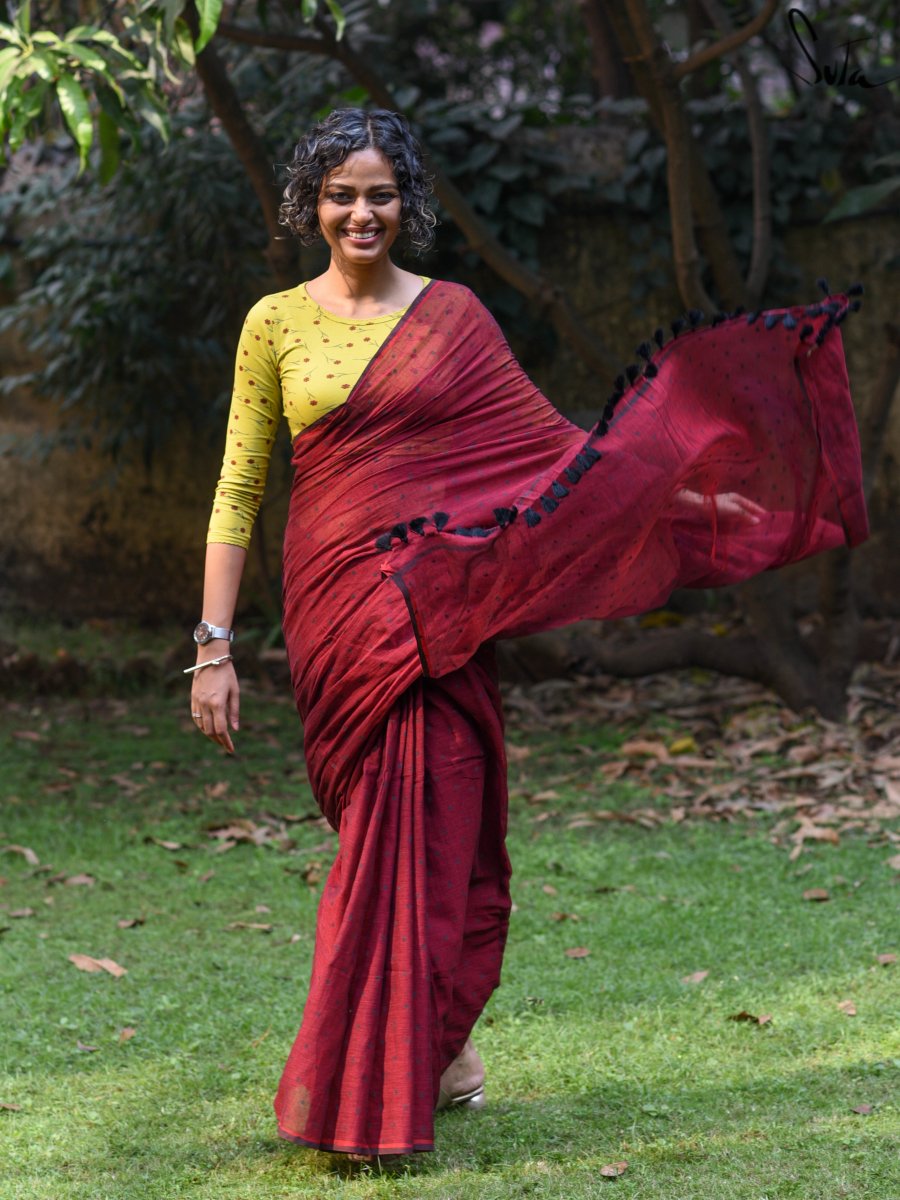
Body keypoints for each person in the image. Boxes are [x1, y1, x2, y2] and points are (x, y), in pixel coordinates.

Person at [188, 108, 867, 1161]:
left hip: (435, 616)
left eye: (378, 193)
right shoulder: (273, 323)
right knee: (376, 838)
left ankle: (381, 1091)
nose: (360, 212)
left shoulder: (453, 319)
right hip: (333, 614)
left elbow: (558, 466)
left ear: (406, 203)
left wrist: (705, 506)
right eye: (340, 194)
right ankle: (438, 1051)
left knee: (417, 846)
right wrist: (214, 646)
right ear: (309, 206)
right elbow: (238, 488)